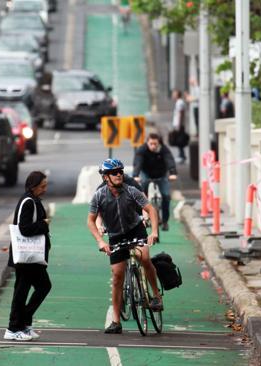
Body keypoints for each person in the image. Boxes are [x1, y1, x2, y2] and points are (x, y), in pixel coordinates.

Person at [87, 159, 162, 334]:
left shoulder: (132, 191)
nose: (119, 174)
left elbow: (151, 209)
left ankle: (156, 296)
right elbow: (91, 220)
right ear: (106, 177)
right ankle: (116, 321)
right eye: (114, 172)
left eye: (120, 171)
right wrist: (100, 240)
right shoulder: (99, 195)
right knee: (117, 277)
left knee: (144, 258)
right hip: (115, 236)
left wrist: (154, 232)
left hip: (135, 231)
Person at [5, 171, 52, 341]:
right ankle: (13, 327)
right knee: (24, 290)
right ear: (33, 186)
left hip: (31, 258)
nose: (45, 189)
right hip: (26, 258)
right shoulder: (28, 202)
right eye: (42, 186)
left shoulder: (33, 200)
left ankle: (23, 324)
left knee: (40, 287)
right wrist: (43, 225)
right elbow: (23, 228)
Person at [133, 133, 177, 231]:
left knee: (166, 196)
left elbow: (169, 160)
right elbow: (138, 162)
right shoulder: (142, 149)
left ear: (159, 143)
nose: (153, 146)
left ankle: (165, 221)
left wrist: (173, 173)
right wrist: (135, 175)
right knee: (141, 195)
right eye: (151, 144)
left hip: (161, 174)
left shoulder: (164, 149)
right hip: (146, 174)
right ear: (147, 143)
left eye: (155, 144)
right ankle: (144, 218)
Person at [171, 89, 187, 163]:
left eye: (174, 94)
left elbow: (181, 113)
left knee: (180, 140)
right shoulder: (178, 102)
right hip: (178, 124)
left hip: (179, 125)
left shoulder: (179, 102)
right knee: (178, 140)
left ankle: (182, 156)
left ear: (177, 95)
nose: (172, 95)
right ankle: (181, 155)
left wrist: (179, 125)